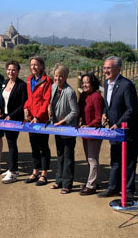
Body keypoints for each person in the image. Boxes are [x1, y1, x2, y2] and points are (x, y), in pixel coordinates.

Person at [98, 56, 138, 198]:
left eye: (109, 68)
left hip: (128, 130)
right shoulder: (106, 83)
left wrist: (118, 123)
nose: (106, 71)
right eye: (104, 68)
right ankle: (113, 187)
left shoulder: (127, 85)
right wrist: (105, 114)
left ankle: (129, 191)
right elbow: (108, 104)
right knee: (115, 159)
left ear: (118, 69)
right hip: (114, 131)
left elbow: (131, 109)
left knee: (129, 161)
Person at [49, 64, 79, 194]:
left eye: (60, 76)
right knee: (60, 154)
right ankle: (59, 180)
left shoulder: (70, 92)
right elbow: (52, 102)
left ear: (66, 77)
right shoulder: (53, 87)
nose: (58, 78)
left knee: (68, 156)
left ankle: (67, 184)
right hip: (57, 127)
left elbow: (75, 111)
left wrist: (62, 121)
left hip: (67, 128)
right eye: (56, 76)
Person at [23, 56, 52, 186]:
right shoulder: (29, 80)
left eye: (36, 64)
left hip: (41, 119)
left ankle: (44, 173)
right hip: (31, 119)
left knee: (43, 146)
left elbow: (46, 101)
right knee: (34, 145)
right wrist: (25, 108)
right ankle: (35, 171)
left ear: (41, 66)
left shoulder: (47, 81)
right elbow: (30, 98)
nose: (34, 67)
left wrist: (38, 117)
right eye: (32, 64)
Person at [0, 60, 27, 184]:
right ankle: (12, 168)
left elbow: (23, 103)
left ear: (18, 71)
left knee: (11, 143)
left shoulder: (21, 85)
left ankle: (13, 172)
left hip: (15, 119)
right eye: (9, 69)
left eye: (13, 70)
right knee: (10, 143)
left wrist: (11, 115)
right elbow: (1, 98)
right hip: (4, 118)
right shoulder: (4, 83)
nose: (11, 72)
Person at [78, 72, 104, 196]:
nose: (84, 85)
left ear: (93, 83)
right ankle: (93, 181)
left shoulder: (97, 97)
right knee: (89, 158)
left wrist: (89, 126)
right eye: (83, 83)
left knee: (92, 159)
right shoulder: (83, 96)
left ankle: (91, 185)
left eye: (87, 82)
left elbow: (98, 117)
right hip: (85, 131)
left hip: (94, 131)